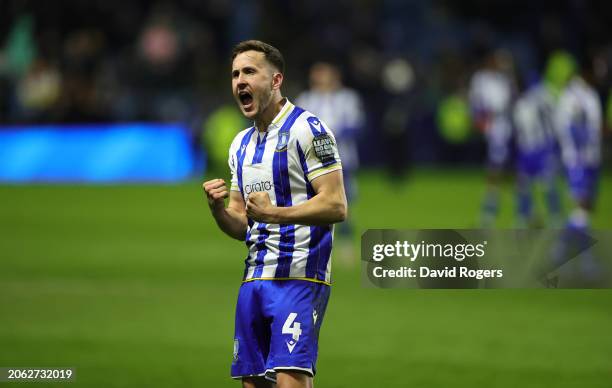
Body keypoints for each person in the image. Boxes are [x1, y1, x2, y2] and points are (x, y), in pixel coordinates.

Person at [202, 40, 347, 388]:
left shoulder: (308, 129)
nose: (240, 81)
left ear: (276, 80)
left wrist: (276, 214)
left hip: (299, 275)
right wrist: (218, 210)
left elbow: (336, 205)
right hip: (253, 280)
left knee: (290, 380)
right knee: (253, 383)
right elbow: (241, 224)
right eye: (235, 74)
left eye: (250, 72)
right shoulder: (240, 144)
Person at [296, 62, 364, 264]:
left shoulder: (348, 98)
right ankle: (312, 248)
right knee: (311, 204)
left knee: (342, 204)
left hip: (342, 159)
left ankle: (345, 247)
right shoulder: (306, 99)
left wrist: (330, 136)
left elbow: (356, 126)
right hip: (312, 162)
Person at [468, 50, 514, 227]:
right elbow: (476, 100)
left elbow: (511, 101)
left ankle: (489, 216)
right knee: (497, 169)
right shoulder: (480, 78)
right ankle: (492, 214)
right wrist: (477, 118)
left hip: (505, 126)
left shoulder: (505, 79)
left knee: (497, 169)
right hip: (493, 126)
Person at [512, 80, 562, 228]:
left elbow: (519, 127)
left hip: (531, 148)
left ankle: (525, 217)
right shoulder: (546, 99)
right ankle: (553, 217)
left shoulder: (522, 104)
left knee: (527, 184)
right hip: (542, 148)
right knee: (542, 183)